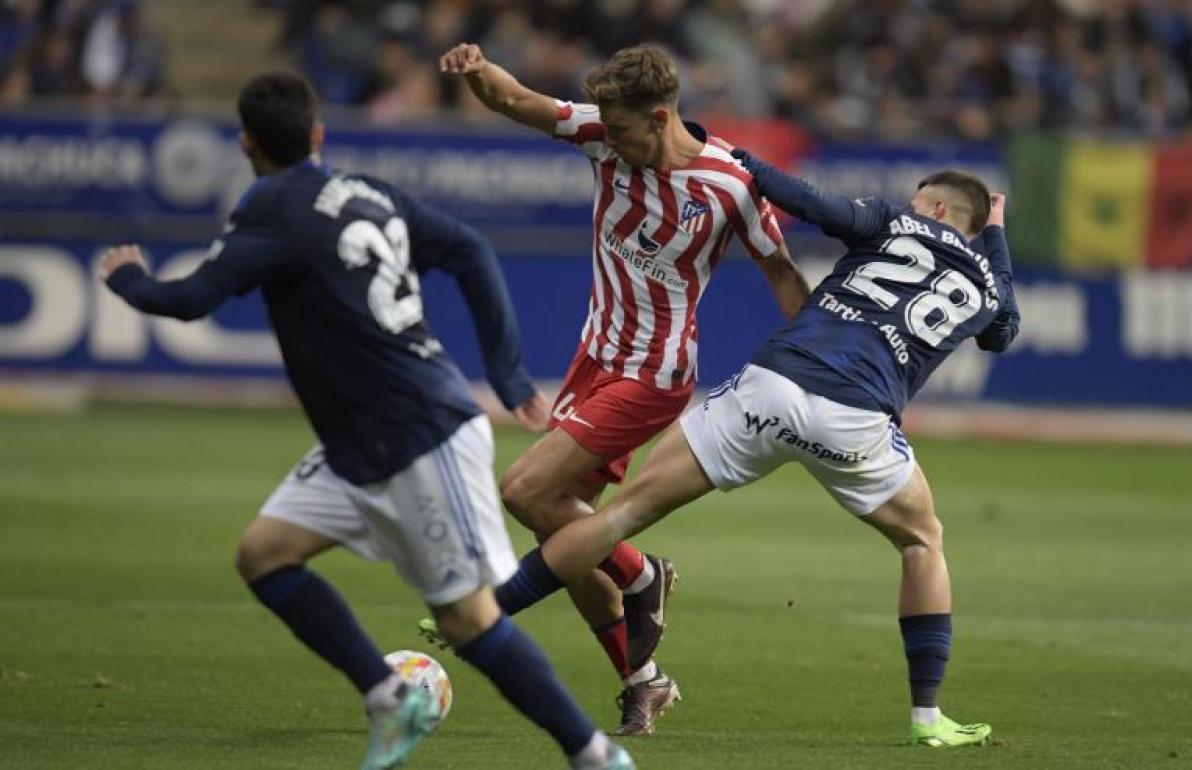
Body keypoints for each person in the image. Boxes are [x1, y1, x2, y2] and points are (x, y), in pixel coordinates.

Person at [98, 71, 634, 770]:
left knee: (467, 620)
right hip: (361, 441)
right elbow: (470, 248)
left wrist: (126, 279)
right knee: (263, 555)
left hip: (417, 435)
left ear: (245, 142)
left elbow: (191, 299)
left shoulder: (270, 205)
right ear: (318, 136)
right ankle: (388, 696)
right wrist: (504, 373)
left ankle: (593, 754)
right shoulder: (365, 191)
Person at [485, 150, 1021, 748]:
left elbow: (809, 202)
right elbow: (1002, 332)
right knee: (923, 541)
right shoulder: (984, 285)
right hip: (857, 419)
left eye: (922, 200)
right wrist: (994, 235)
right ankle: (928, 718)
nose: (914, 207)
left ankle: (483, 615)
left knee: (619, 514)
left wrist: (739, 160)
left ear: (938, 208)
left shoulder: (893, 222)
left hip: (771, 386)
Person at [436, 42, 811, 736]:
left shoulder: (729, 184)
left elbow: (783, 272)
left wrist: (820, 360)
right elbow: (517, 101)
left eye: (622, 130)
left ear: (662, 116)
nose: (608, 140)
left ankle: (641, 576)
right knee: (562, 519)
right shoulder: (604, 135)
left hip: (655, 374)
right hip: (594, 362)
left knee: (525, 491)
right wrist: (477, 69)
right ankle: (643, 679)